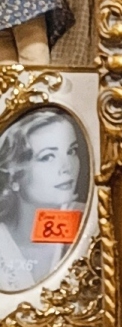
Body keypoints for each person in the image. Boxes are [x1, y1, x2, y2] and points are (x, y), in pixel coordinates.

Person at [0, 105, 88, 291]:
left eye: (71, 151)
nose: (67, 167)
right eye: (48, 157)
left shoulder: (92, 223)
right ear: (14, 177)